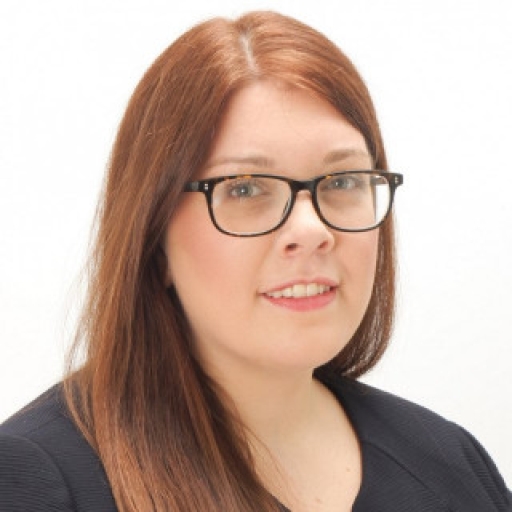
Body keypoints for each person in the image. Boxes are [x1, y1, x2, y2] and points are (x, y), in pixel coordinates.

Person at [0, 10, 510, 512]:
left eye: (343, 181)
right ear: (154, 239)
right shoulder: (40, 482)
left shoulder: (449, 463)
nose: (311, 231)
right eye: (244, 188)